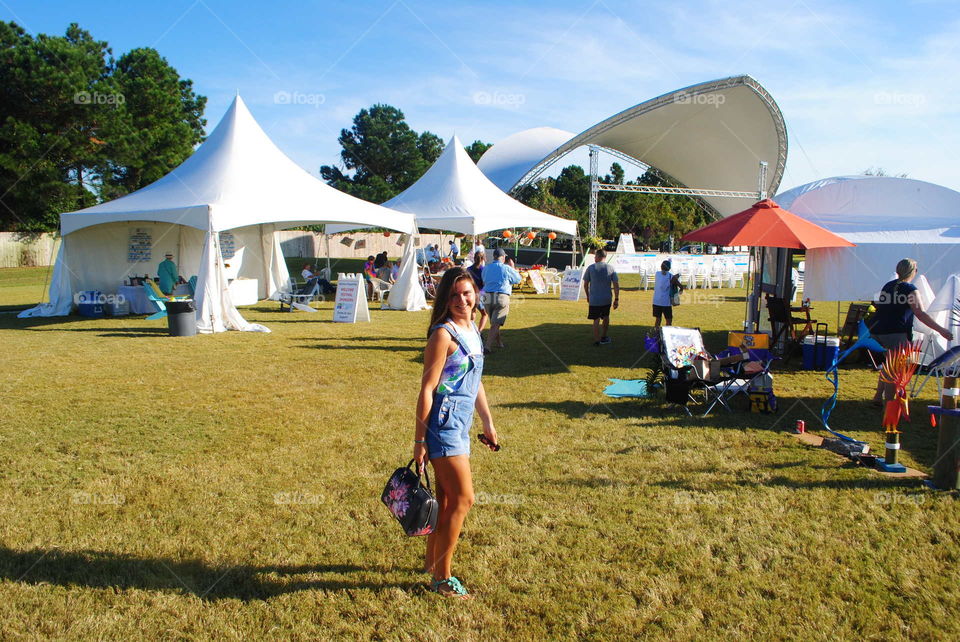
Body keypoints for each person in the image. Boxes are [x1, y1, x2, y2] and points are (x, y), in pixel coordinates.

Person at [414, 267, 500, 599]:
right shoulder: (443, 335)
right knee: (464, 499)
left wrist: (488, 423)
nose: (462, 300)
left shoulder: (472, 329)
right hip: (442, 425)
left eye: (467, 293)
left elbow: (474, 382)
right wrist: (419, 441)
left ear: (475, 292)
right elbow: (427, 390)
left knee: (448, 500)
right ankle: (442, 578)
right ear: (445, 299)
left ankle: (430, 563)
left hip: (462, 424)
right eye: (454, 295)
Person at [869, 258, 953, 405]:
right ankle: (889, 405)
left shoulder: (888, 286)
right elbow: (920, 313)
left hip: (878, 331)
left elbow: (881, 307)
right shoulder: (910, 289)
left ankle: (877, 397)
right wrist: (941, 330)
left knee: (889, 364)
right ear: (913, 272)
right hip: (895, 333)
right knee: (894, 370)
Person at [480, 248, 521, 353]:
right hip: (501, 297)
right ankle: (487, 346)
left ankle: (499, 343)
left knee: (494, 322)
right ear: (503, 257)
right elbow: (518, 279)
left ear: (494, 257)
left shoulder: (486, 268)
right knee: (495, 323)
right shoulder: (506, 268)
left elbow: (483, 280)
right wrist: (513, 268)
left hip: (487, 297)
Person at [582, 249, 619, 346]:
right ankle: (604, 336)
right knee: (606, 317)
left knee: (596, 319)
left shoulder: (590, 268)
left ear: (598, 257)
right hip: (606, 298)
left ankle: (597, 340)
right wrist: (616, 298)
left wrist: (588, 296)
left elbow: (585, 284)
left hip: (594, 299)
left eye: (595, 256)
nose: (594, 258)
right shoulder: (611, 268)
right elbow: (616, 284)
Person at [652, 260, 683, 328]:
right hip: (666, 303)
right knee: (669, 321)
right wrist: (678, 275)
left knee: (658, 319)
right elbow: (680, 286)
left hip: (656, 301)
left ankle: (656, 334)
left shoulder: (657, 274)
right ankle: (667, 334)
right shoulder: (671, 276)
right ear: (669, 268)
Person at [466, 250, 488, 333]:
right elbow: (485, 282)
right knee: (484, 314)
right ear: (483, 259)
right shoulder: (484, 270)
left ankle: (470, 329)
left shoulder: (468, 269)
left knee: (473, 311)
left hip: (471, 293)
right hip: (480, 294)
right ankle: (479, 332)